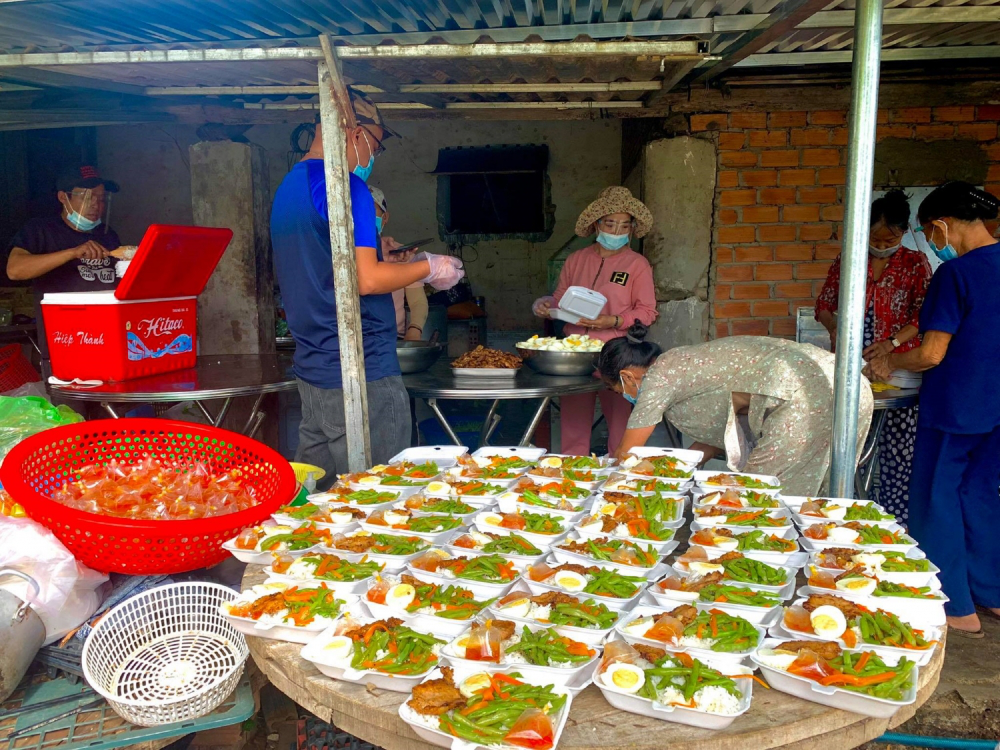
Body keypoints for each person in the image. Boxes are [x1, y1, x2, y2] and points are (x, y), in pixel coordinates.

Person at [270, 92, 464, 486]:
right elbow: (367, 280)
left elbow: (329, 267)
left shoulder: (290, 186)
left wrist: (390, 261)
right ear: (354, 132)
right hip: (363, 372)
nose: (375, 154)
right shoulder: (348, 188)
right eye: (375, 144)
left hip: (315, 368)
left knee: (314, 495)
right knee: (381, 494)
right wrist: (427, 267)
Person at [867, 181, 1000, 637]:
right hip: (996, 405)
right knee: (980, 493)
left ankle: (954, 606)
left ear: (941, 225)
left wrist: (890, 359)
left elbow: (931, 353)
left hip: (957, 404)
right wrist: (898, 340)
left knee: (935, 494)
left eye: (929, 232)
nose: (932, 242)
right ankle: (992, 594)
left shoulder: (955, 274)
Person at [599, 323, 874, 496]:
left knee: (759, 498)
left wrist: (603, 490)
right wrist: (682, 465)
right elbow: (717, 434)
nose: (624, 397)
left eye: (617, 391)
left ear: (627, 377)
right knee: (821, 492)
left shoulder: (659, 376)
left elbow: (628, 454)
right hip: (848, 383)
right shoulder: (681, 362)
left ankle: (773, 571)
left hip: (805, 393)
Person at [814, 189, 932, 521]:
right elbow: (823, 304)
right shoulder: (848, 260)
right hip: (852, 368)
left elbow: (924, 315)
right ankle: (842, 515)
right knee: (846, 447)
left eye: (889, 238)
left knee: (897, 451)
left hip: (898, 368)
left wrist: (892, 345)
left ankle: (892, 522)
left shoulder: (914, 263)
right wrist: (835, 327)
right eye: (876, 238)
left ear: (903, 231)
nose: (881, 245)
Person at [532, 187, 658, 455]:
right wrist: (547, 305)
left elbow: (647, 311)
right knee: (574, 420)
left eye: (624, 225)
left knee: (620, 421)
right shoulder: (577, 260)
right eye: (610, 223)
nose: (616, 231)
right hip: (575, 352)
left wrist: (614, 320)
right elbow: (560, 298)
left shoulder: (637, 265)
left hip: (618, 353)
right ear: (597, 224)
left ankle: (620, 476)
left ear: (632, 229)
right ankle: (573, 475)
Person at [5, 165, 122, 375]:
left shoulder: (108, 235)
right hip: (64, 346)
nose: (96, 204)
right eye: (87, 197)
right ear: (63, 197)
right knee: (71, 408)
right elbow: (15, 269)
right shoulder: (40, 230)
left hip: (108, 342)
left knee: (114, 407)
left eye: (101, 198)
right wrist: (72, 253)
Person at [369, 186, 428, 341]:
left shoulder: (401, 253)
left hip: (394, 336)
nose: (364, 216)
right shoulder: (338, 255)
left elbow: (417, 301)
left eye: (371, 210)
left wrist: (415, 329)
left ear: (385, 217)